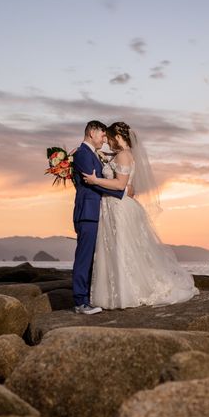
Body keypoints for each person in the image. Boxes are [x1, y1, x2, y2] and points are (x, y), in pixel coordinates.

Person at [82, 121, 199, 309]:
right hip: (113, 206)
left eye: (110, 138)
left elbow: (120, 185)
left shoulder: (123, 156)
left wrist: (95, 180)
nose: (108, 142)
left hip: (119, 207)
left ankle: (124, 294)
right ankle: (116, 293)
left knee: (121, 248)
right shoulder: (122, 154)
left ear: (118, 138)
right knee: (118, 248)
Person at [71, 120, 126, 314]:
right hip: (88, 212)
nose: (104, 139)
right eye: (103, 135)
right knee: (84, 258)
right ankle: (80, 302)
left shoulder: (92, 153)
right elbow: (92, 181)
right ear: (92, 132)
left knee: (93, 258)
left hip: (96, 212)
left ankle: (87, 297)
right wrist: (120, 190)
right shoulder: (82, 154)